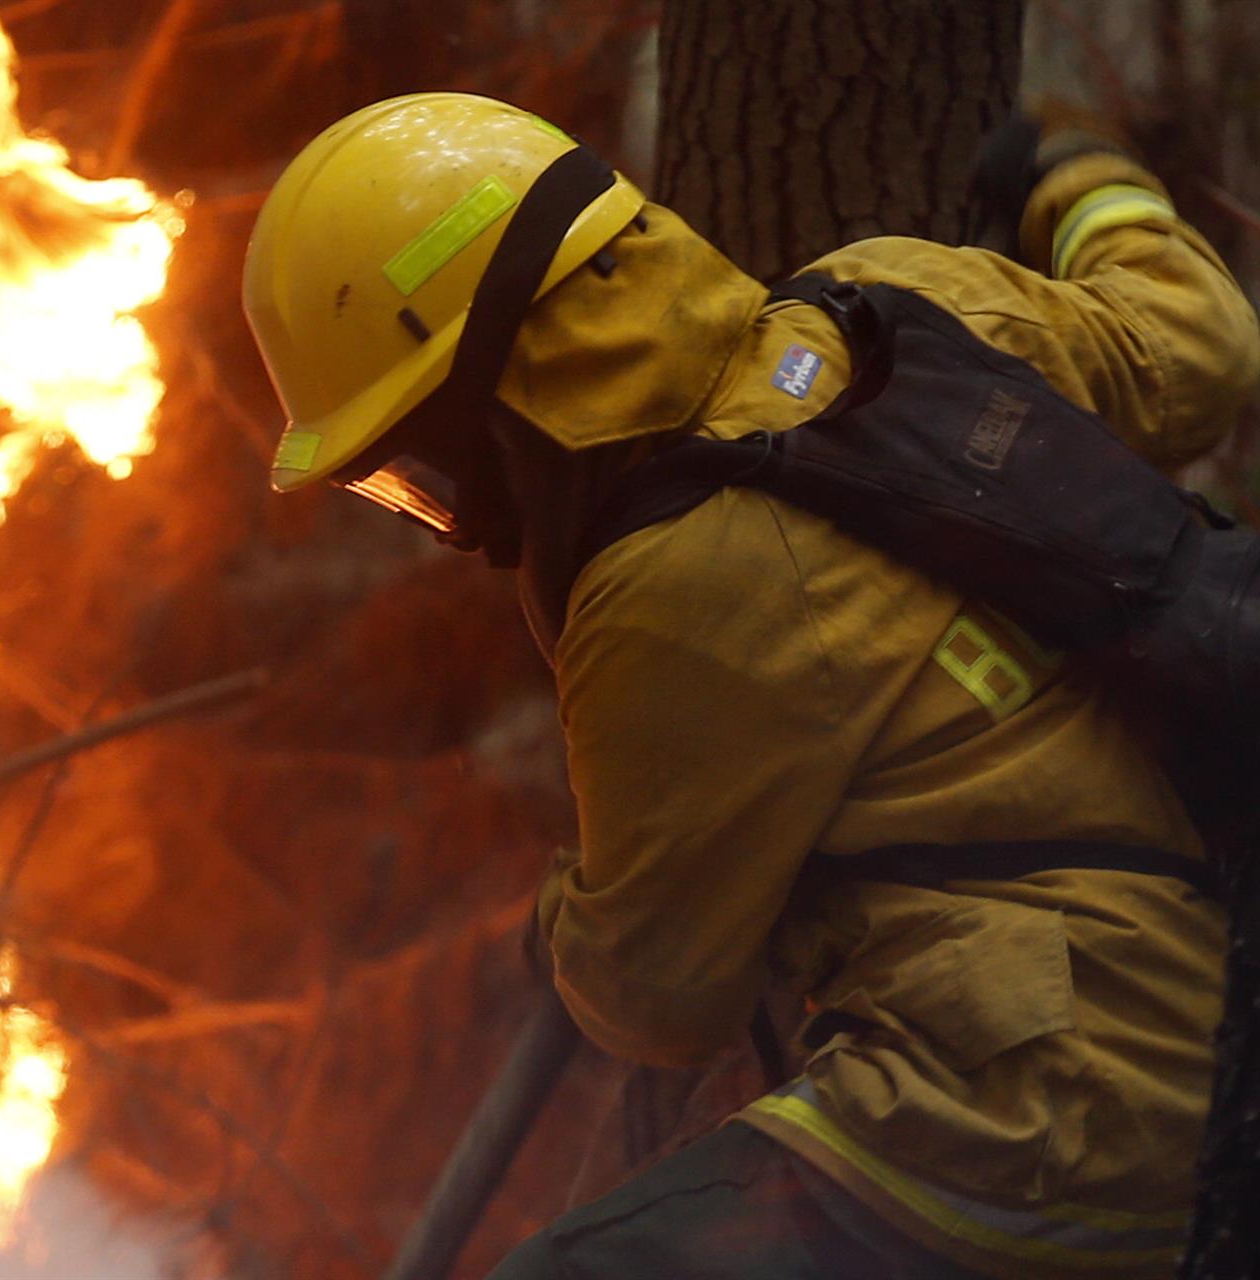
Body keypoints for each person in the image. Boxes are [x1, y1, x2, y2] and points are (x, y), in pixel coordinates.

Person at [241, 93, 1260, 1279]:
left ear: (496, 393)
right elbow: (1200, 347)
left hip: (1059, 1107)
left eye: (422, 472)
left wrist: (556, 924)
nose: (450, 529)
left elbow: (654, 996)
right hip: (1224, 990)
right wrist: (1082, 180)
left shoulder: (663, 586)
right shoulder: (902, 297)